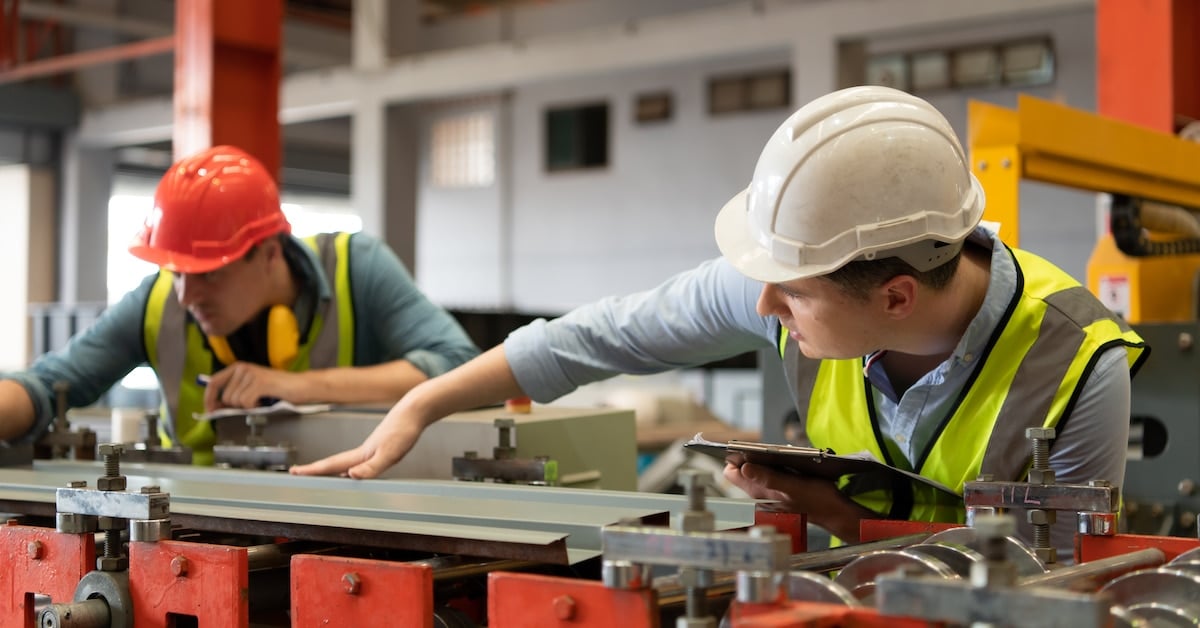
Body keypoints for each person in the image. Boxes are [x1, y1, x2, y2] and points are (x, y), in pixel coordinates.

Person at [291, 86, 1147, 557]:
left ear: (895, 297)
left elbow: (1050, 578)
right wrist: (424, 404)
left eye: (790, 295)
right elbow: (599, 336)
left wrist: (836, 515)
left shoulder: (1076, 367)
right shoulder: (797, 280)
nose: (763, 308)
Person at [0, 145, 480, 465]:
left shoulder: (358, 270)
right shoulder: (158, 301)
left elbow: (458, 365)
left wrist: (296, 387)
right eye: (177, 272)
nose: (186, 296)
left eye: (209, 273)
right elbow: (48, 385)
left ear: (269, 253)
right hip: (186, 528)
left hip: (341, 516)